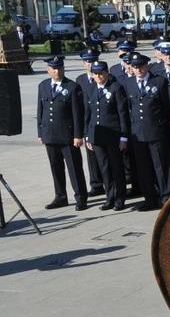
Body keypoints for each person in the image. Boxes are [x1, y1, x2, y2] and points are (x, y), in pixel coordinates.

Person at [123, 52, 170, 210]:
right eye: (135, 66)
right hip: (138, 134)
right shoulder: (128, 84)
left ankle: (167, 197)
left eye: (141, 66)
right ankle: (149, 198)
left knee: (161, 166)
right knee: (143, 167)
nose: (138, 69)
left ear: (147, 66)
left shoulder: (159, 81)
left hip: (156, 131)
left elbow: (167, 108)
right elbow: (127, 109)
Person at [37, 55, 88, 211]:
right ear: (48, 70)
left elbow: (77, 114)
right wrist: (41, 132)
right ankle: (60, 196)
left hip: (67, 136)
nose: (57, 71)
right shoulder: (43, 86)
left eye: (59, 68)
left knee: (74, 168)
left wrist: (78, 135)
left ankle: (81, 197)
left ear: (63, 68)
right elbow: (41, 110)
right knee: (56, 167)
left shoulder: (72, 87)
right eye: (53, 68)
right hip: (50, 134)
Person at [84, 61, 129, 211]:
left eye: (101, 73)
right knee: (104, 168)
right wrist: (88, 136)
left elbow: (122, 114)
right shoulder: (91, 89)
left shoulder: (116, 88)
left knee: (116, 167)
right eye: (95, 74)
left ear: (107, 73)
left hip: (113, 135)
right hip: (97, 136)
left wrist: (123, 137)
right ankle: (110, 197)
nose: (99, 76)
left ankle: (120, 198)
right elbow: (88, 115)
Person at [75, 48, 106, 198]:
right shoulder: (80, 80)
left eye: (92, 60)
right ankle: (96, 184)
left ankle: (107, 181)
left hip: (101, 120)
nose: (90, 64)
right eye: (87, 61)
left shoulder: (103, 77)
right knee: (91, 153)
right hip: (87, 120)